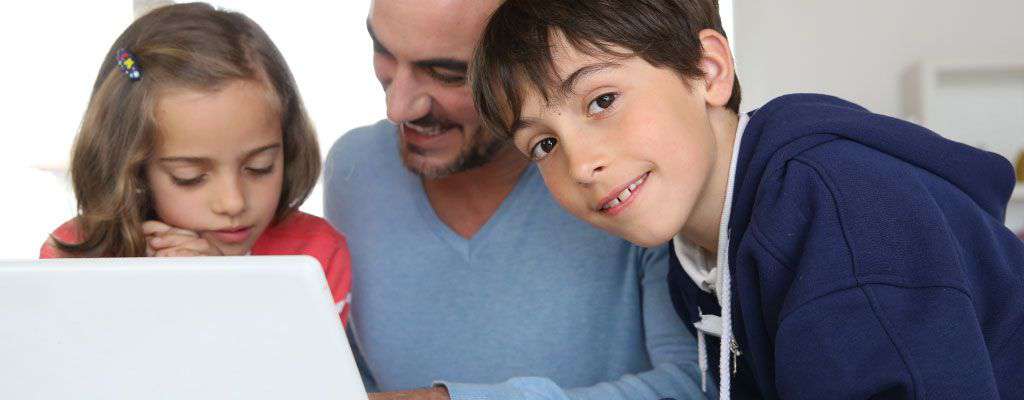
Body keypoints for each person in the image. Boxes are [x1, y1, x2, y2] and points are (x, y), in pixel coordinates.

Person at [470, 0, 1024, 398]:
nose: (581, 163)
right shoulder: (696, 255)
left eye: (602, 100)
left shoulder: (837, 206)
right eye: (543, 144)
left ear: (707, 71)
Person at [323, 0, 705, 399]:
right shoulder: (354, 171)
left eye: (447, 74)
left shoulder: (622, 181)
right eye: (382, 50)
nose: (397, 108)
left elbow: (697, 386)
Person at [40, 2, 352, 323]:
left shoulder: (315, 255)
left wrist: (222, 289)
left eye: (260, 167)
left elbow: (300, 371)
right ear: (134, 171)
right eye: (189, 177)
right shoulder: (73, 257)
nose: (233, 202)